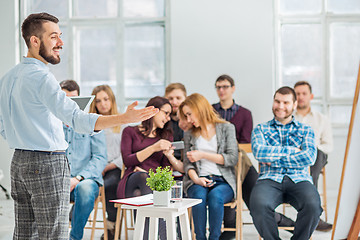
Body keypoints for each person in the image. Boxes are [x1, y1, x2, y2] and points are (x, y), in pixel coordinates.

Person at [0, 12, 157, 240]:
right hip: (47, 163)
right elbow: (79, 120)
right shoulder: (43, 79)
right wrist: (123, 118)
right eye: (54, 37)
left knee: (25, 234)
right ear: (34, 41)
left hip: (19, 163)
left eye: (60, 36)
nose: (60, 43)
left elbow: (3, 126)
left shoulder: (8, 78)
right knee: (54, 234)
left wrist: (28, 135)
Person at [212, 75, 295, 239]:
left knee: (255, 201)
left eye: (225, 86)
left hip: (240, 162)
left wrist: (229, 146)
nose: (221, 90)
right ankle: (231, 228)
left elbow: (246, 144)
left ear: (233, 88)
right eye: (218, 87)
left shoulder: (244, 113)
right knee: (230, 186)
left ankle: (283, 221)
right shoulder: (211, 111)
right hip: (217, 163)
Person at [250, 86, 322, 240]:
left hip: (299, 179)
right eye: (277, 101)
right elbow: (259, 152)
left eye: (286, 102)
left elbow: (309, 157)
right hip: (269, 179)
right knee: (258, 205)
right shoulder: (261, 129)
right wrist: (294, 151)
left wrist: (273, 158)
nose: (280, 106)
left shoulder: (306, 130)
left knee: (313, 207)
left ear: (294, 105)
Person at [179, 93, 238, 240]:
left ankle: (214, 238)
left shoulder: (227, 128)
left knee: (215, 197)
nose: (188, 120)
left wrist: (203, 155)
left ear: (200, 109)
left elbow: (232, 159)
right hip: (197, 180)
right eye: (186, 116)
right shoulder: (189, 134)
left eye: (189, 114)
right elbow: (188, 165)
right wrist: (197, 179)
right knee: (198, 197)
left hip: (223, 181)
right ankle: (200, 238)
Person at [60, 80, 108, 240]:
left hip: (85, 180)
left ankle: (75, 237)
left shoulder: (91, 123)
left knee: (85, 189)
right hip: (59, 182)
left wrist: (77, 178)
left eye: (73, 98)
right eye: (65, 98)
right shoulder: (52, 125)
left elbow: (100, 157)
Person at [294, 80, 334, 231]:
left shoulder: (321, 119)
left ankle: (312, 213)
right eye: (297, 94)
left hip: (317, 158)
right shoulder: (289, 118)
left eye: (304, 93)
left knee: (315, 155)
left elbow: (328, 145)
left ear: (311, 96)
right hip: (296, 158)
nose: (301, 97)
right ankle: (312, 215)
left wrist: (311, 149)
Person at [89, 85, 124, 239]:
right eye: (98, 101)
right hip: (95, 166)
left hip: (115, 167)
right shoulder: (90, 125)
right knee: (89, 186)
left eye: (106, 99)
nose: (103, 104)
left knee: (110, 186)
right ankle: (78, 208)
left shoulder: (122, 124)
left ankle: (111, 228)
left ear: (112, 101)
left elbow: (126, 153)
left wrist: (108, 166)